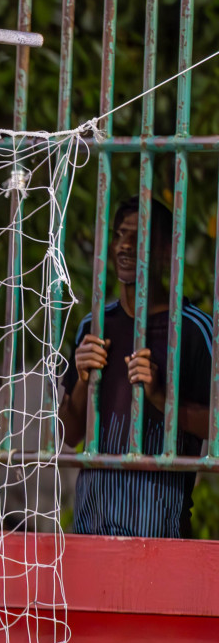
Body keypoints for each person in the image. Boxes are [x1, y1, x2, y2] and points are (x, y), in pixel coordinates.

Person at [59, 197, 213, 537]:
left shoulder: (194, 330)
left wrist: (162, 400)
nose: (125, 245)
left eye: (138, 235)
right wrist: (83, 380)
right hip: (90, 532)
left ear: (164, 251)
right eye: (119, 235)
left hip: (161, 539)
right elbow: (69, 435)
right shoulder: (94, 325)